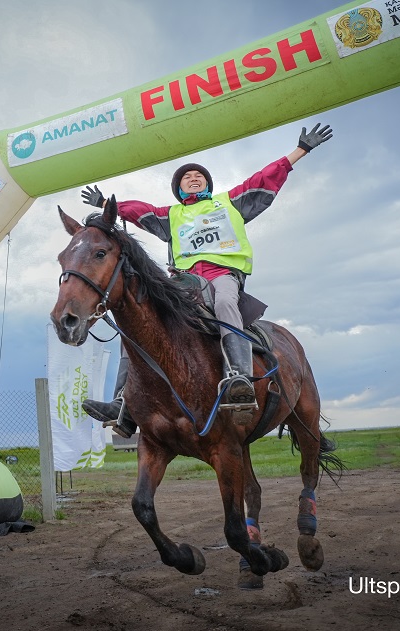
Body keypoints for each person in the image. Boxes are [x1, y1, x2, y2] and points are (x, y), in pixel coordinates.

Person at [81, 123, 333, 437]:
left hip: (223, 277)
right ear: (179, 189)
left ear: (207, 183)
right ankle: (121, 405)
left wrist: (300, 151)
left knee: (227, 301)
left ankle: (239, 377)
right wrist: (107, 205)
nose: (193, 177)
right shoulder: (170, 216)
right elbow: (138, 210)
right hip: (185, 282)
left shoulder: (230, 203)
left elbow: (263, 179)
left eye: (198, 175)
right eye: (186, 176)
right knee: (141, 318)